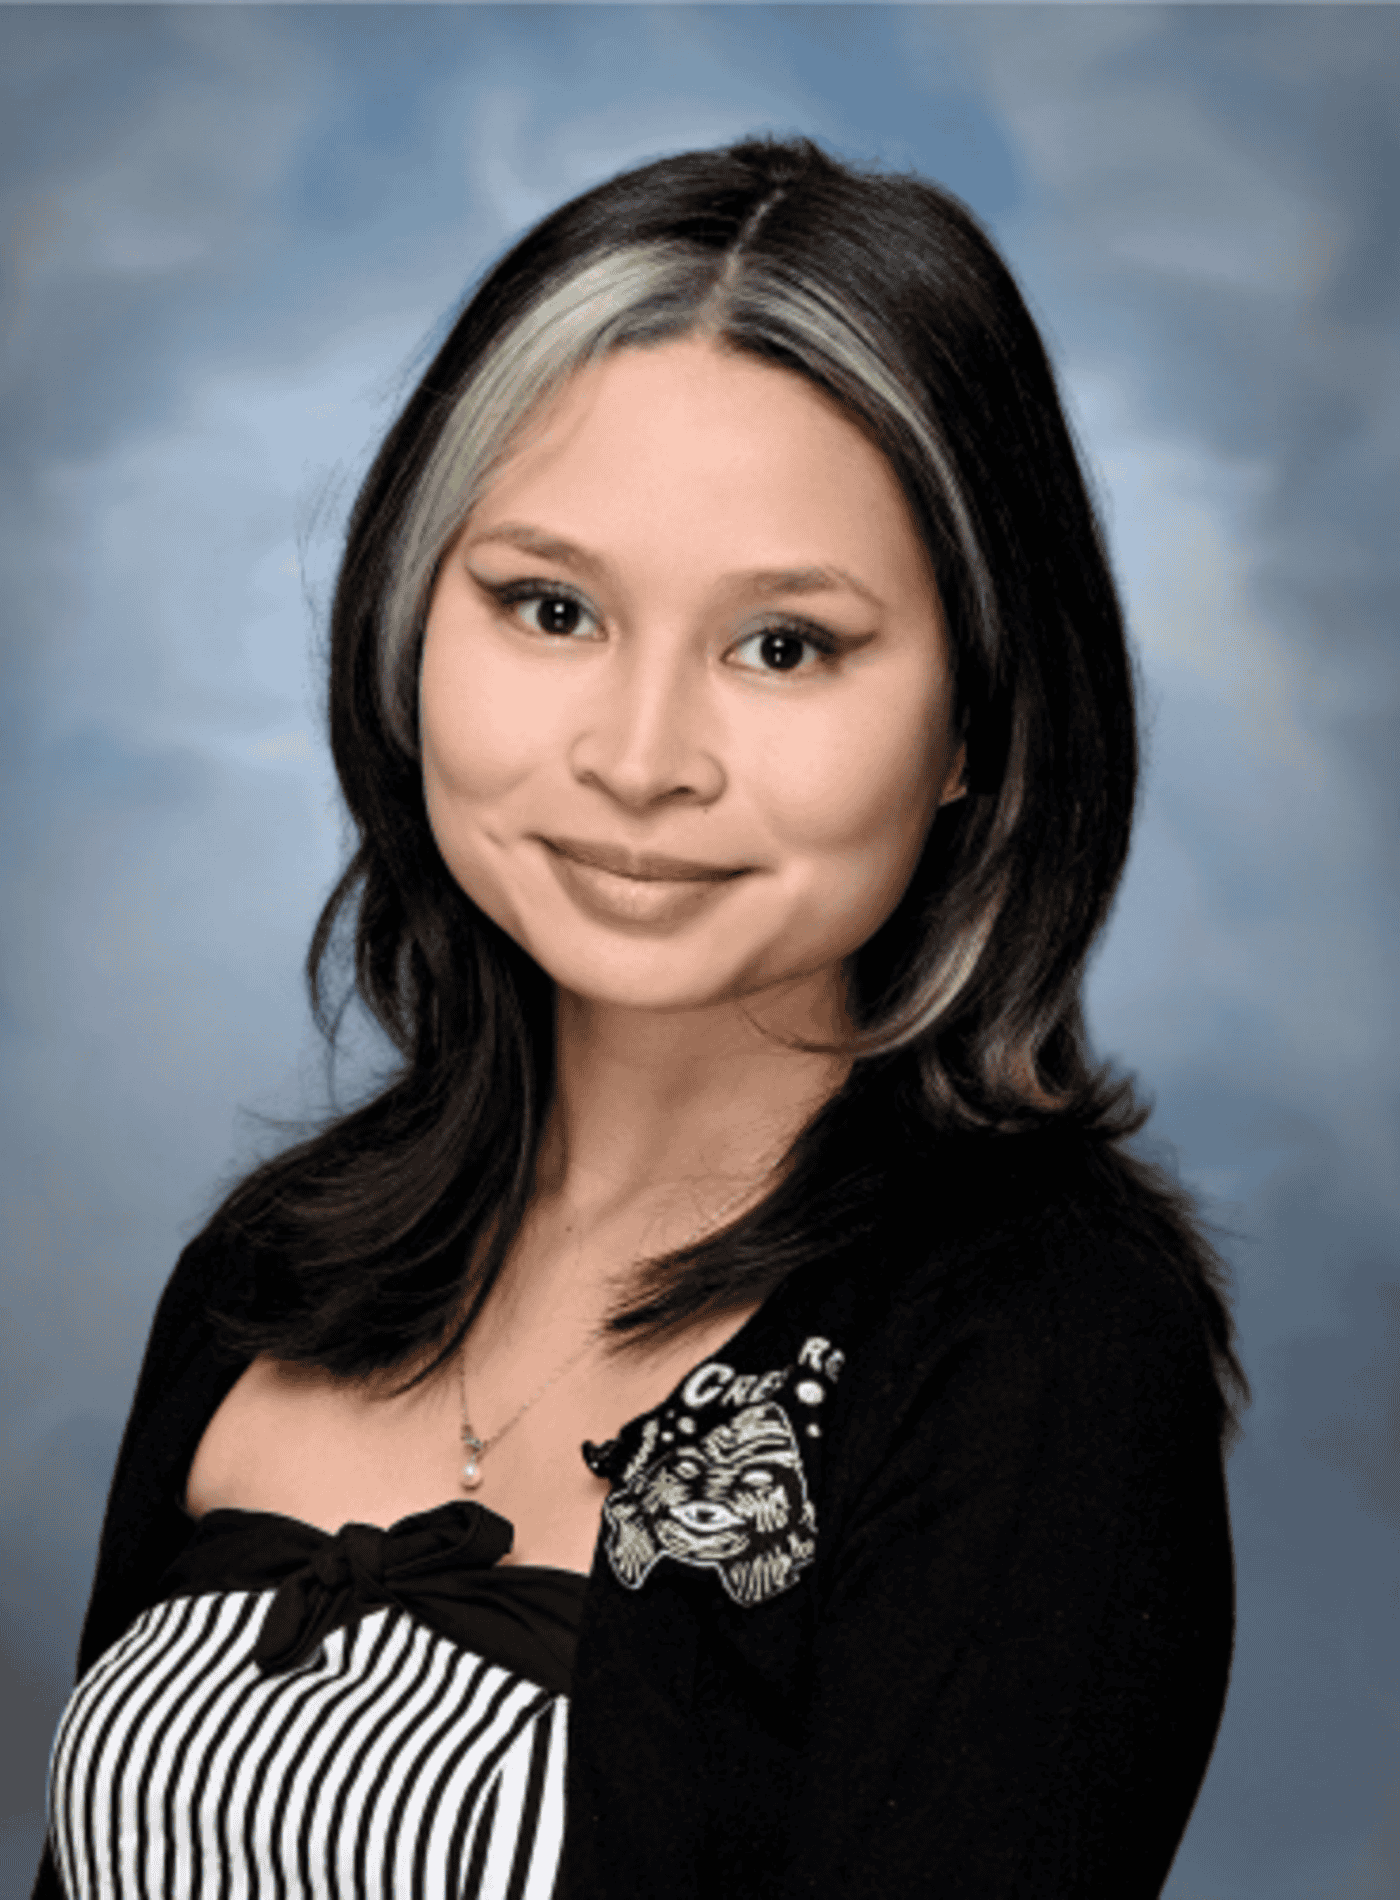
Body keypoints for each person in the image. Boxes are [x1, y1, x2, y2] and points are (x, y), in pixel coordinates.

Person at [35, 134, 1247, 1900]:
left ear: (979, 721)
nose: (637, 759)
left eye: (785, 646)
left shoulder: (1039, 1345)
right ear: (407, 617)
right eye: (551, 607)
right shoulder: (271, 1264)